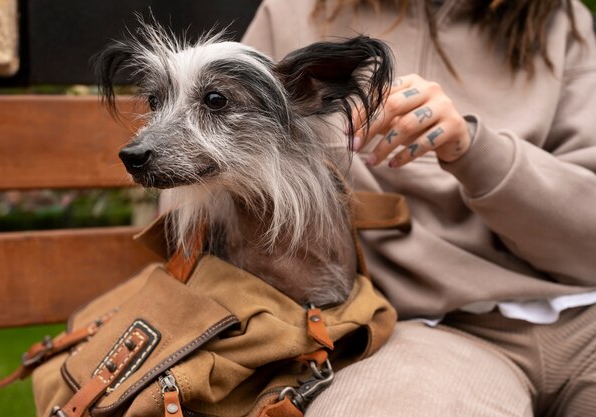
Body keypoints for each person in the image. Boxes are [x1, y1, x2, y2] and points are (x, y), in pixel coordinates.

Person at [241, 1, 596, 416]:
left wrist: (472, 149)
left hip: (580, 318)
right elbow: (200, 197)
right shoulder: (293, 14)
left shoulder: (559, 18)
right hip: (415, 332)